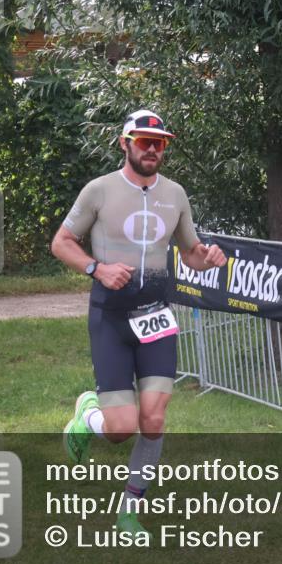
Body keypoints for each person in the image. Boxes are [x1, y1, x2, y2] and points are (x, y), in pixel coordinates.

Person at [51, 109, 227, 538]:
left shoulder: (176, 195)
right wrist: (97, 270)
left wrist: (205, 259)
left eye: (159, 142)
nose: (152, 148)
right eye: (144, 140)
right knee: (120, 430)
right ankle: (87, 416)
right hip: (111, 315)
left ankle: (129, 510)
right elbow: (62, 242)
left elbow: (189, 253)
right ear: (124, 143)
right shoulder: (100, 191)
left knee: (153, 419)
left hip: (157, 316)